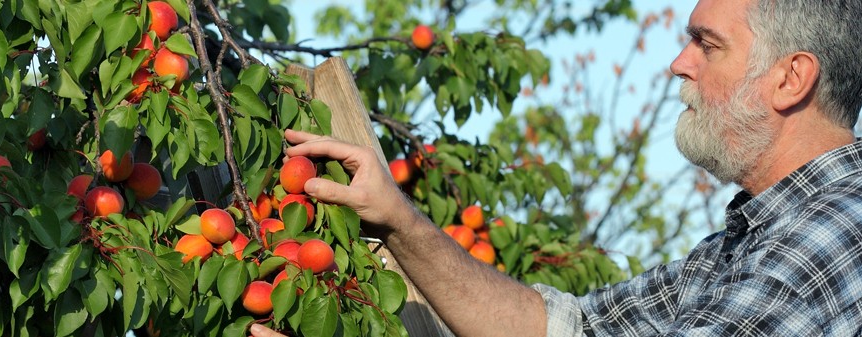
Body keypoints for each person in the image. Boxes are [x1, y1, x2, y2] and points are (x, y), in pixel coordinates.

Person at [251, 0, 862, 335]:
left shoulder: (836, 232)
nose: (679, 63)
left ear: (790, 78)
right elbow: (566, 329)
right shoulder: (734, 249)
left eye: (707, 43)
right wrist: (399, 221)